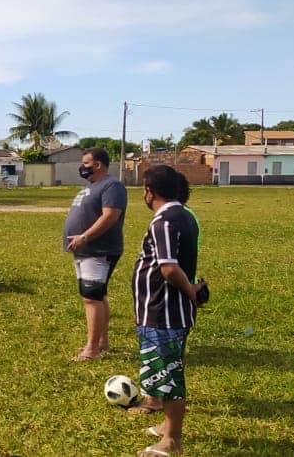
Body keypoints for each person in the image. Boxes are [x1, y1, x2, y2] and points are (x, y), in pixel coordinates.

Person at [130, 165, 205, 457]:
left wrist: (191, 292)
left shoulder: (163, 221)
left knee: (168, 374)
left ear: (150, 191)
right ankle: (166, 425)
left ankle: (172, 439)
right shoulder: (186, 216)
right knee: (170, 367)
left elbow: (170, 268)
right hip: (175, 312)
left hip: (163, 311)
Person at [62, 147, 127, 362]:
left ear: (97, 164)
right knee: (96, 296)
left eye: (86, 163)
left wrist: (85, 237)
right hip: (84, 251)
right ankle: (102, 342)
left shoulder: (112, 185)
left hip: (98, 250)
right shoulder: (92, 186)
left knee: (91, 298)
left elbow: (110, 216)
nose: (83, 167)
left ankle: (92, 349)